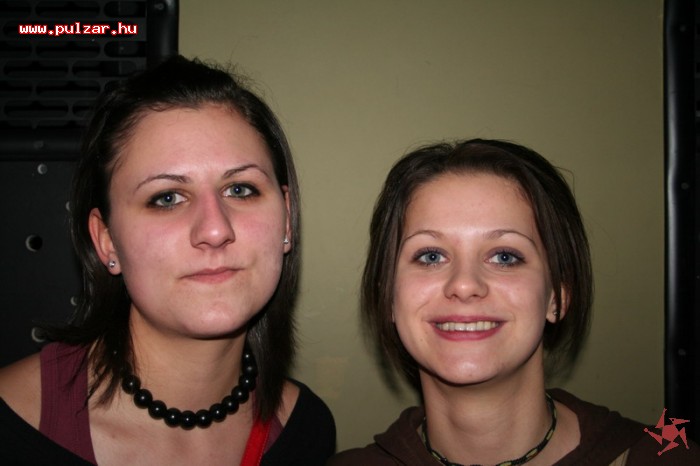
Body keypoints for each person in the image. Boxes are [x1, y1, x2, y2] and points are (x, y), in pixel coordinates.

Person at [0, 55, 335, 465]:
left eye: (241, 189)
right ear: (106, 241)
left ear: (286, 219)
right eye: (167, 198)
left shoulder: (307, 431)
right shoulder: (11, 428)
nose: (215, 230)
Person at [330, 139, 699, 465]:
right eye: (430, 256)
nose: (464, 285)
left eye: (504, 256)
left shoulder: (666, 457)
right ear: (388, 296)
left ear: (557, 295)